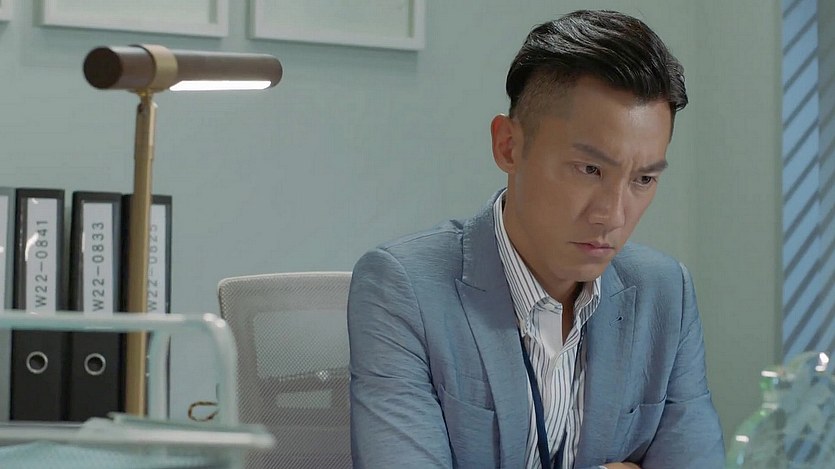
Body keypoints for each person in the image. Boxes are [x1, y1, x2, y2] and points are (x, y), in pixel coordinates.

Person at [347, 9, 724, 469]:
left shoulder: (665, 293)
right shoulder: (402, 287)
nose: (613, 214)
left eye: (643, 179)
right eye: (590, 169)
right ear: (509, 146)